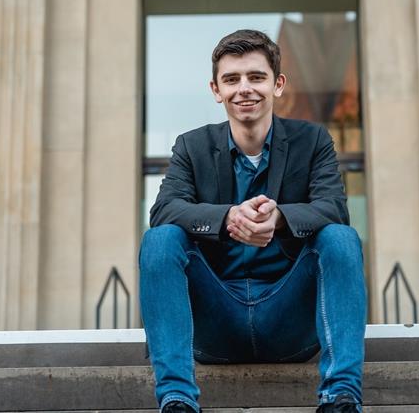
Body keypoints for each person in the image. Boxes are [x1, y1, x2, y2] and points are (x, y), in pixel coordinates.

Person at [139, 29, 366, 413]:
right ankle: (177, 400)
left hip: (289, 318)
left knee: (341, 237)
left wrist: (280, 218)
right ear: (216, 90)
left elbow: (333, 207)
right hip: (216, 318)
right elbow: (163, 210)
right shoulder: (192, 146)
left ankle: (339, 398)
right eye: (232, 79)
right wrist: (226, 216)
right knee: (159, 240)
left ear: (277, 85)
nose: (244, 89)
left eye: (256, 77)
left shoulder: (313, 140)